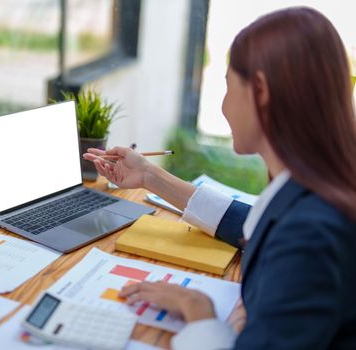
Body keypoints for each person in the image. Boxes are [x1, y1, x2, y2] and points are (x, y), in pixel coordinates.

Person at [83, 7, 356, 350]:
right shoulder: (323, 187)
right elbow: (253, 224)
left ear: (261, 90)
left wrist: (199, 313)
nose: (224, 106)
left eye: (228, 86)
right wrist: (148, 175)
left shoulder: (309, 236)